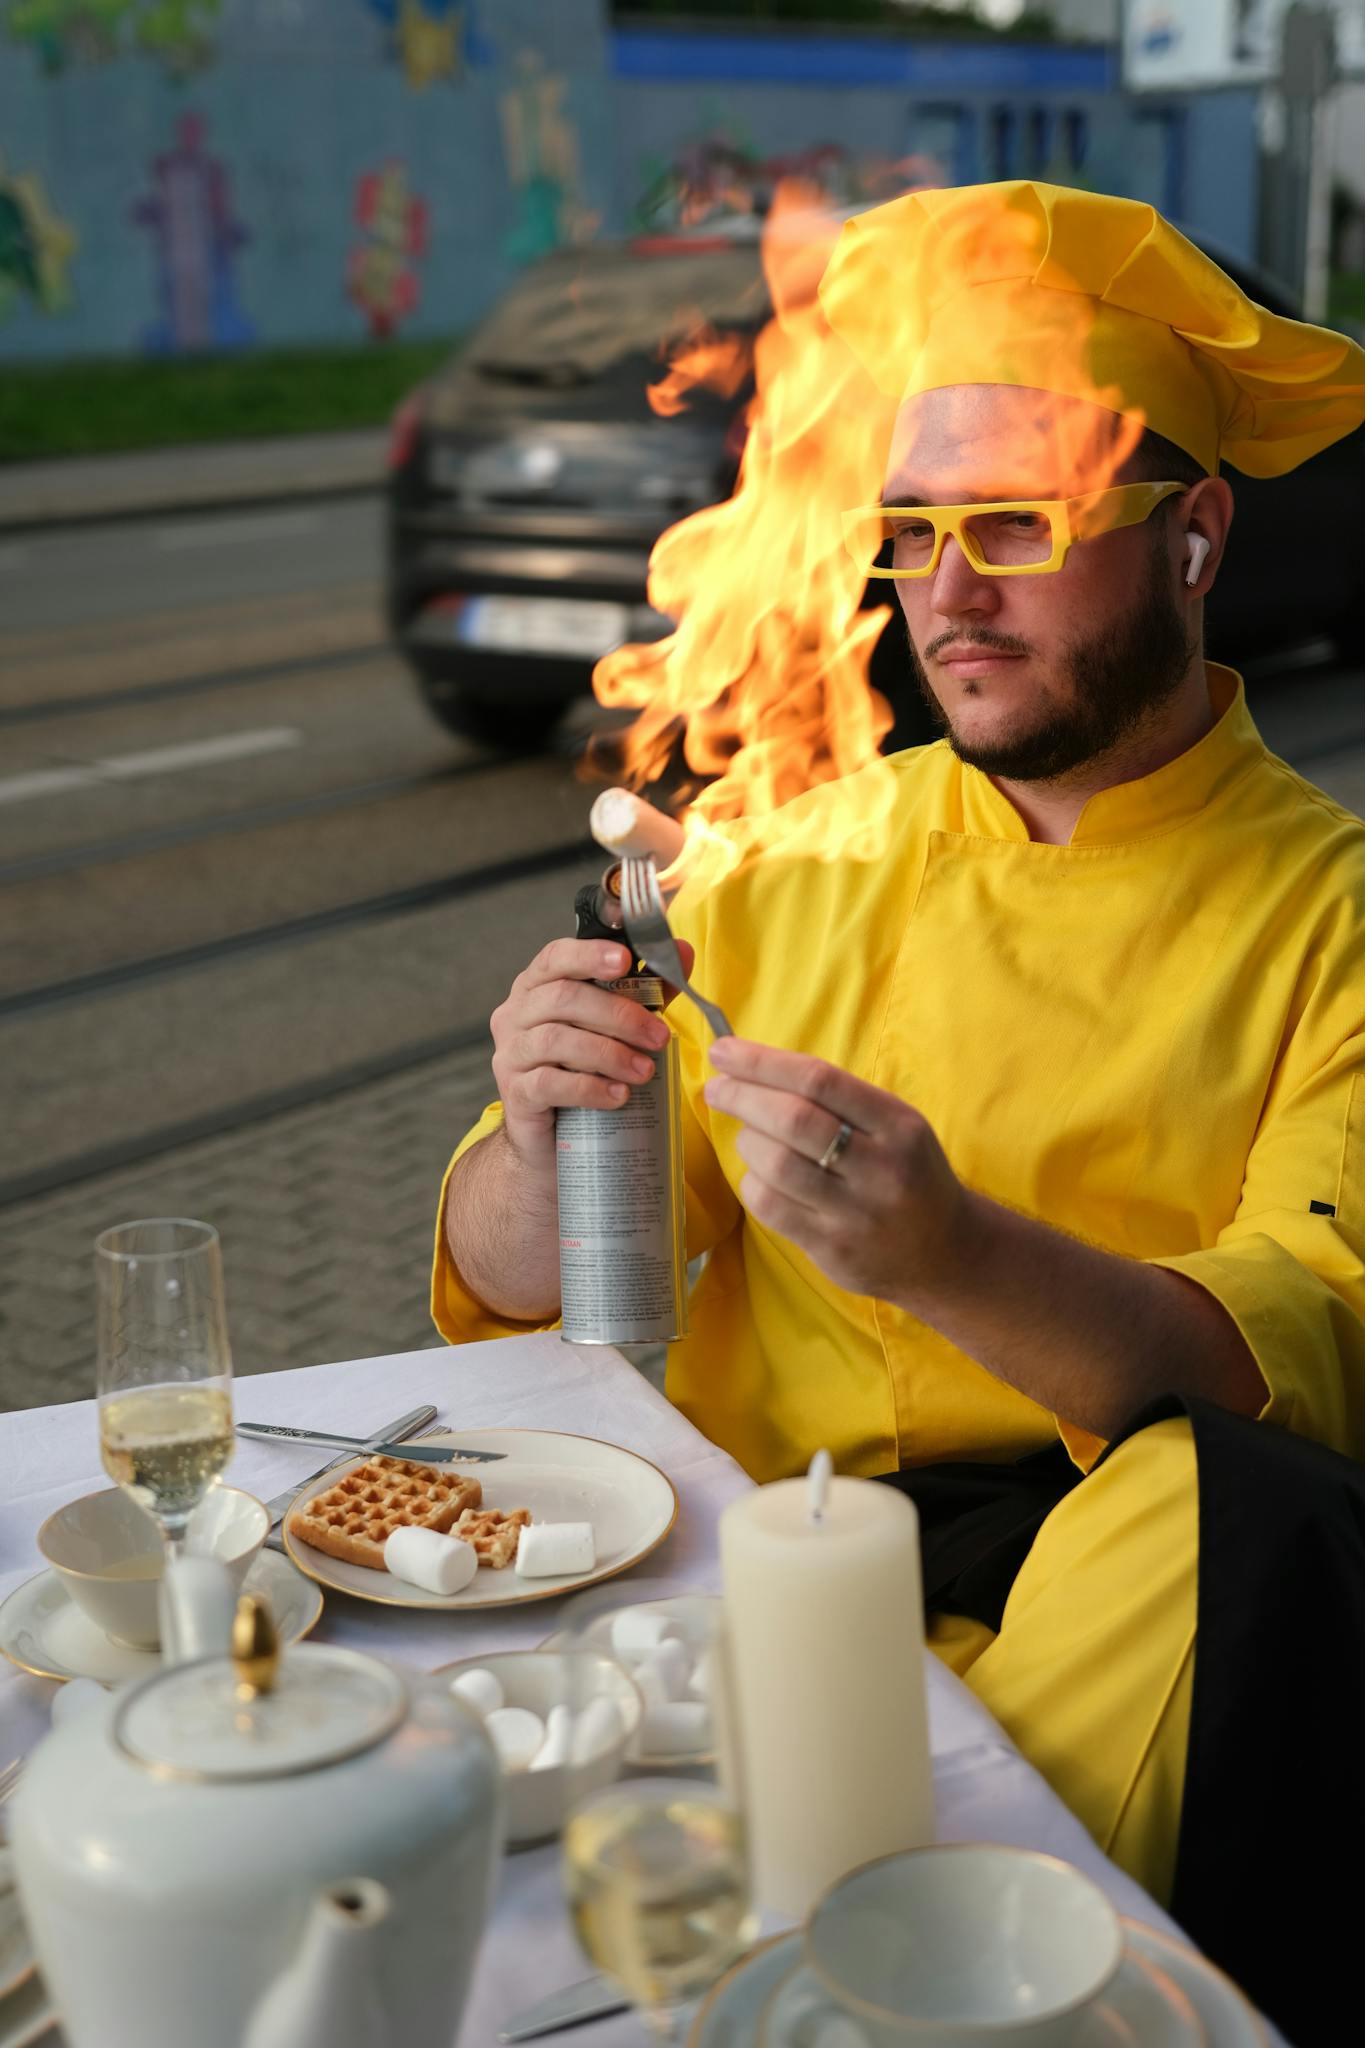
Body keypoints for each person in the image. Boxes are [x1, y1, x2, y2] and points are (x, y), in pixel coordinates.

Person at [432, 183, 1365, 2033]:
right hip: (739, 1566)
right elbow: (510, 1283)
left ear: (1189, 536)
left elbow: (1300, 1379)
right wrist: (539, 1136)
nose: (947, 592)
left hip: (1098, 1597)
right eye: (915, 530)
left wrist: (947, 1256)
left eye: (1018, 524)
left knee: (1206, 1508)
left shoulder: (1334, 915)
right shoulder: (784, 857)